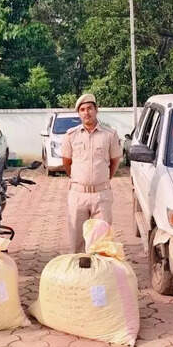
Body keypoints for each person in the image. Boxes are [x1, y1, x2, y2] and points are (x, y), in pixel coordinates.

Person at [61, 93, 122, 253]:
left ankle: (99, 276)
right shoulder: (71, 135)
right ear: (79, 113)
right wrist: (78, 179)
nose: (86, 112)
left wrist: (103, 178)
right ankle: (79, 276)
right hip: (78, 195)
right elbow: (67, 162)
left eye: (89, 108)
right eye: (82, 109)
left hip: (101, 195)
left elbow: (115, 161)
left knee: (101, 243)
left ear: (96, 110)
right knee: (76, 242)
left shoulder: (110, 134)